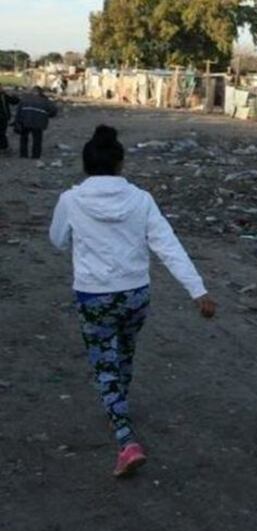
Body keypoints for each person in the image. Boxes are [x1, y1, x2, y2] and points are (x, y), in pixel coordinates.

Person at [49, 125, 217, 478]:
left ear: (86, 166)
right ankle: (118, 404)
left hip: (94, 294)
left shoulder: (71, 199)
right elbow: (167, 245)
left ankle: (125, 439)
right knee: (124, 354)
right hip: (135, 293)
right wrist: (197, 289)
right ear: (121, 164)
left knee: (103, 362)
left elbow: (57, 240)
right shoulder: (141, 199)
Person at [17, 86, 58, 159]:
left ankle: (23, 155)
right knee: (37, 140)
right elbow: (53, 111)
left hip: (25, 122)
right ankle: (35, 156)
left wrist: (18, 121)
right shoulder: (45, 100)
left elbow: (19, 110)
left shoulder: (25, 99)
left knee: (24, 139)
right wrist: (47, 116)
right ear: (41, 93)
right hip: (38, 123)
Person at [0, 85, 20, 152]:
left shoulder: (3, 96)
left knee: (2, 133)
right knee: (2, 133)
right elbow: (14, 101)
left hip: (3, 118)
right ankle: (4, 147)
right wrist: (14, 96)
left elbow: (14, 101)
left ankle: (4, 147)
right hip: (3, 118)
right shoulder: (3, 96)